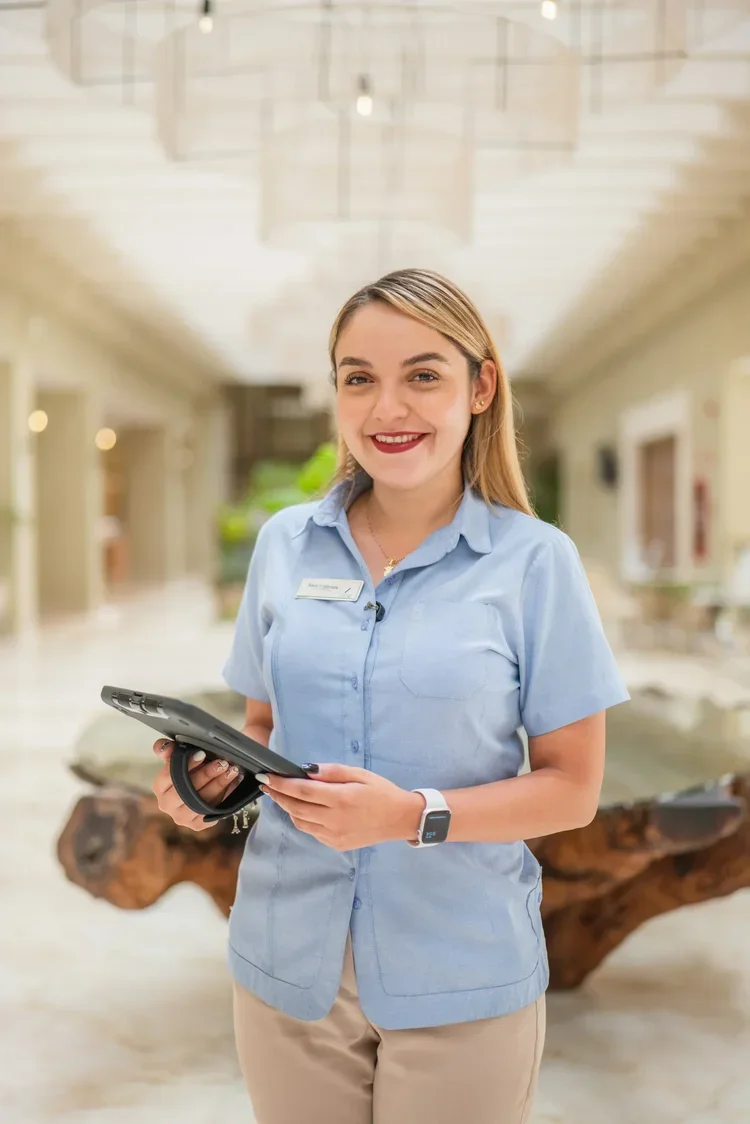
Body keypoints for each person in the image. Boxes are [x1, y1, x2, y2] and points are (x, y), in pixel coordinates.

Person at [151, 268, 630, 1124]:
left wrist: (411, 815)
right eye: (359, 378)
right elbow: (264, 726)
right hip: (286, 960)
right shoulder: (285, 546)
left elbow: (573, 789)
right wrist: (211, 781)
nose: (387, 409)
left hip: (463, 969)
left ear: (480, 386)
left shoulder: (535, 563)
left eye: (423, 374)